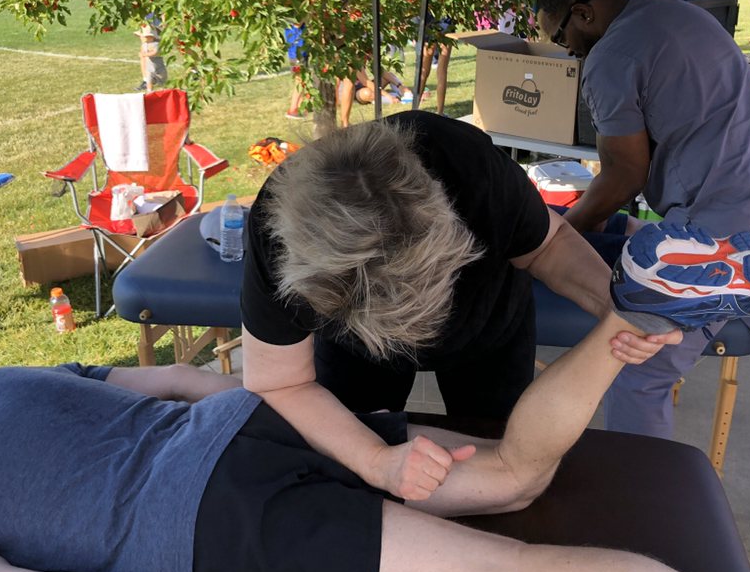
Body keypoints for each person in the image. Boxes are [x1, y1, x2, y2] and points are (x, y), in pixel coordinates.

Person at [0, 223, 750, 572]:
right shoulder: (2, 378)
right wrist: (318, 435)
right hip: (252, 431)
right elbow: (185, 386)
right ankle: (635, 308)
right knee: (515, 476)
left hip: (213, 516)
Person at [535, 0, 750, 567]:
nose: (568, 51)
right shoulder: (677, 12)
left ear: (583, 13)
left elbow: (623, 174)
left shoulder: (610, 55)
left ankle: (643, 524)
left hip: (718, 240)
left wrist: (556, 234)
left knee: (641, 371)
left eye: (561, 37)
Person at [240, 112, 680, 496]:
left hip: (489, 329)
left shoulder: (470, 166)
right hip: (355, 352)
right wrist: (376, 461)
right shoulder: (275, 234)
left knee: (505, 458)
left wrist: (615, 307)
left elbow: (549, 244)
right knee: (347, 476)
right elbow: (280, 384)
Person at [336, 67, 412, 127]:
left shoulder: (361, 58)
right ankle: (391, 97)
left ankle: (402, 90)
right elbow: (366, 82)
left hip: (363, 85)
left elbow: (370, 79)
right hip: (357, 91)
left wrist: (400, 86)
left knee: (387, 75)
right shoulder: (350, 61)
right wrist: (388, 96)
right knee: (367, 93)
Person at [134, 14, 167, 91]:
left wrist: (164, 22)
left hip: (157, 24)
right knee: (144, 52)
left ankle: (155, 79)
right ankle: (146, 80)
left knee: (154, 52)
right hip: (148, 20)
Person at [283, 24, 307, 120]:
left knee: (302, 79)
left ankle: (300, 107)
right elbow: (297, 24)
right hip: (296, 51)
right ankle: (293, 108)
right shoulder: (293, 16)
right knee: (299, 79)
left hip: (301, 50)